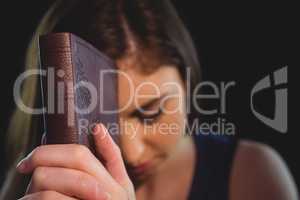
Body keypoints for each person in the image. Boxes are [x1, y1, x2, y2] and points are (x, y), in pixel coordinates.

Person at [0, 0, 298, 199]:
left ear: (188, 81)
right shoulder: (33, 184)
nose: (132, 152)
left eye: (151, 113)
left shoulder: (253, 174)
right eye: (103, 122)